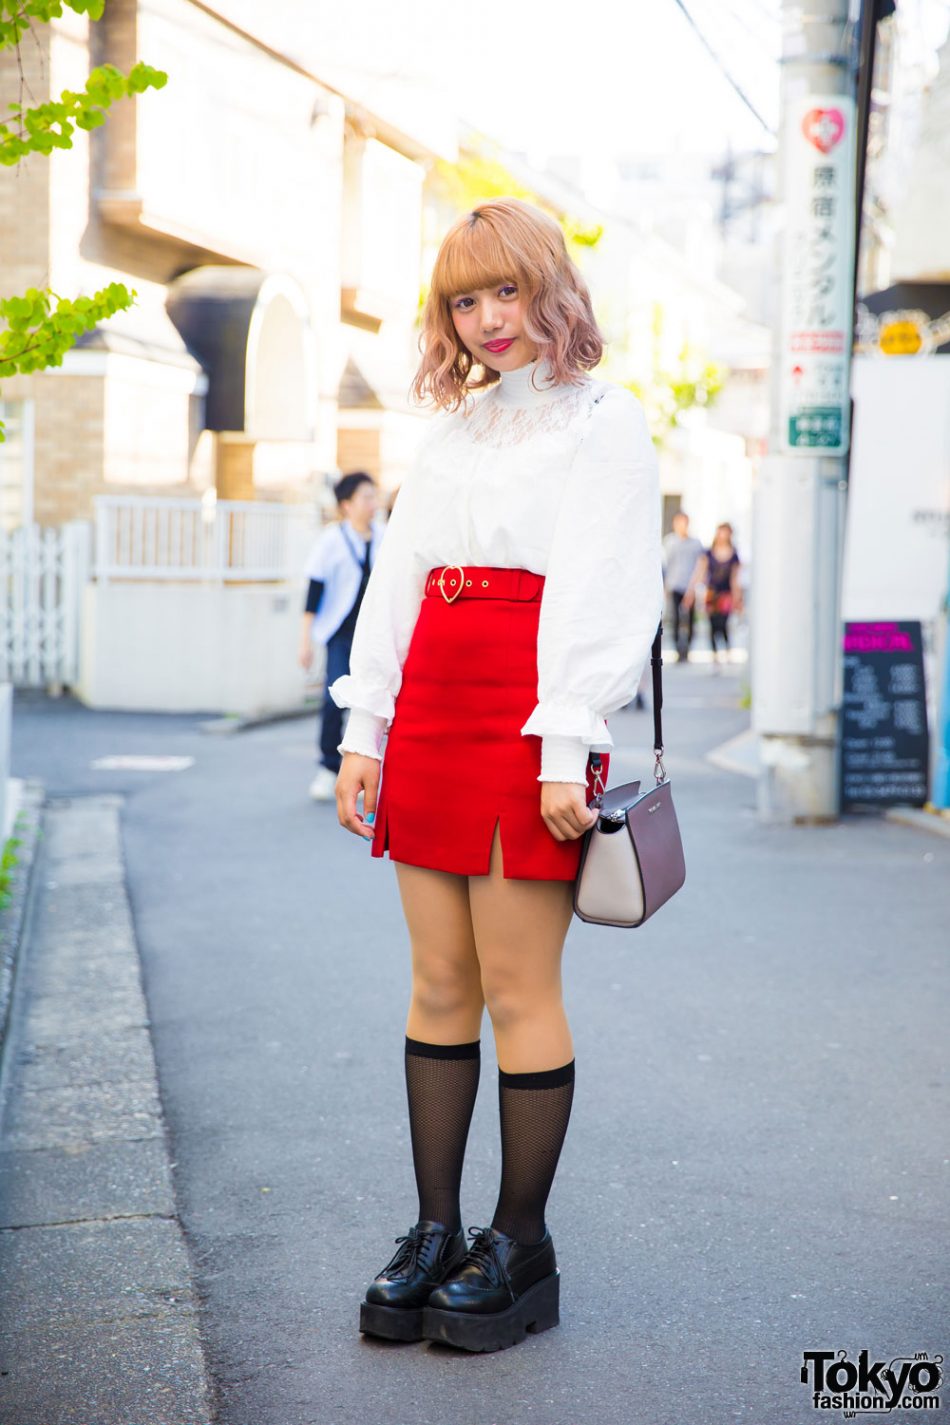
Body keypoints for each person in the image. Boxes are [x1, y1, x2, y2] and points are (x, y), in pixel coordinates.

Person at [329, 198, 663, 1353]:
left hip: (528, 724)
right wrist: (364, 730)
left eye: (503, 292)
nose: (485, 320)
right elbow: (400, 580)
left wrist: (566, 742)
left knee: (519, 988)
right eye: (463, 301)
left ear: (548, 289)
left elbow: (603, 584)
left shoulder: (603, 423)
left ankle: (519, 1245)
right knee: (435, 983)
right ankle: (436, 1230)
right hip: (429, 711)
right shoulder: (455, 432)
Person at [299, 472, 384, 800]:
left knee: (374, 701)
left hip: (373, 634)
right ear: (347, 505)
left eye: (374, 496)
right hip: (341, 634)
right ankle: (328, 767)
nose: (372, 503)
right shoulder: (331, 541)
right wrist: (304, 640)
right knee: (334, 699)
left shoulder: (385, 536)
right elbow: (313, 592)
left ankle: (367, 769)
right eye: (366, 497)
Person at [683, 522, 743, 668]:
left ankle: (727, 649)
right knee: (712, 624)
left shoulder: (734, 554)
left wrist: (738, 598)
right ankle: (715, 655)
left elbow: (735, 578)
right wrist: (690, 592)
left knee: (723, 623)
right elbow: (699, 572)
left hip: (726, 594)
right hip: (711, 593)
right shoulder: (708, 553)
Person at [662, 510, 703, 661]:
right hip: (674, 585)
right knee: (675, 619)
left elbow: (701, 565)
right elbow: (665, 565)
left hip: (690, 586)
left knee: (690, 619)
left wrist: (694, 587)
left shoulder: (695, 543)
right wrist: (665, 586)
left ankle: (688, 649)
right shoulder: (669, 542)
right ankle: (678, 650)